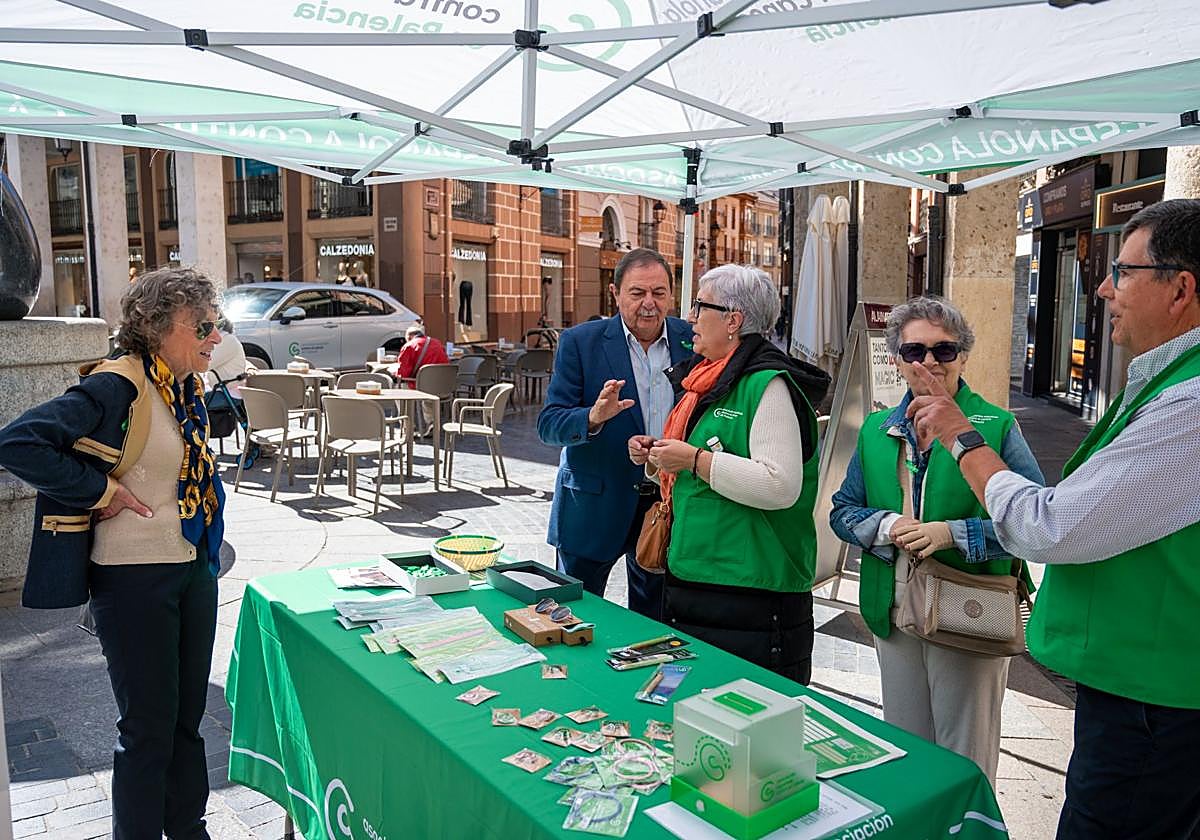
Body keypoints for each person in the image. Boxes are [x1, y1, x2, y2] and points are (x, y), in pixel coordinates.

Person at [907, 199, 1200, 838]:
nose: (1101, 287)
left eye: (1122, 271)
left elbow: (1048, 525)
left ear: (1181, 289)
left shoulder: (1189, 404)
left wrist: (964, 441)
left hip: (1156, 701)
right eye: (911, 349)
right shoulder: (1169, 384)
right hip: (1145, 688)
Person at [0, 267, 227, 839]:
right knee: (148, 729)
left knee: (186, 723)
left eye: (215, 325)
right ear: (157, 327)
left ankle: (188, 827)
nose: (215, 338)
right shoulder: (118, 383)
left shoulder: (184, 384)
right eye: (202, 326)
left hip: (192, 568)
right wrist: (102, 491)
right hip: (133, 580)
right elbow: (18, 442)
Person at [829, 295, 1044, 782]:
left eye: (943, 351)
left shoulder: (996, 426)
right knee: (904, 750)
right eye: (914, 352)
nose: (928, 362)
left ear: (963, 356)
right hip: (892, 606)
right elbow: (842, 512)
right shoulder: (876, 430)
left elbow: (1034, 523)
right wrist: (885, 526)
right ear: (898, 360)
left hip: (970, 611)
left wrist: (955, 534)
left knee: (964, 758)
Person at [629, 264, 829, 681]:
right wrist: (659, 461)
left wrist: (694, 460)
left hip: (752, 593)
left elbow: (780, 485)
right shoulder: (708, 380)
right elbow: (703, 469)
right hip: (699, 580)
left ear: (733, 320)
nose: (689, 317)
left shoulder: (766, 384)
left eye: (700, 305)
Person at [538, 248, 692, 620]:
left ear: (671, 294)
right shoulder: (580, 342)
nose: (649, 304)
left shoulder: (692, 341)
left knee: (653, 626)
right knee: (573, 621)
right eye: (637, 293)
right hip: (592, 509)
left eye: (658, 293)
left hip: (665, 507)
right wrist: (592, 417)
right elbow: (549, 425)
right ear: (616, 293)